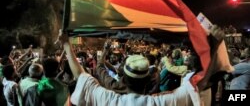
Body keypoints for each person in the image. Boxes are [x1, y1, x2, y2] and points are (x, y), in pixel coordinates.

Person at [60, 31, 200, 106]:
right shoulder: (160, 101)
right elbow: (199, 83)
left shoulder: (109, 99)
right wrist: (215, 45)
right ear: (148, 80)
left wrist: (66, 44)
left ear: (123, 79)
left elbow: (80, 75)